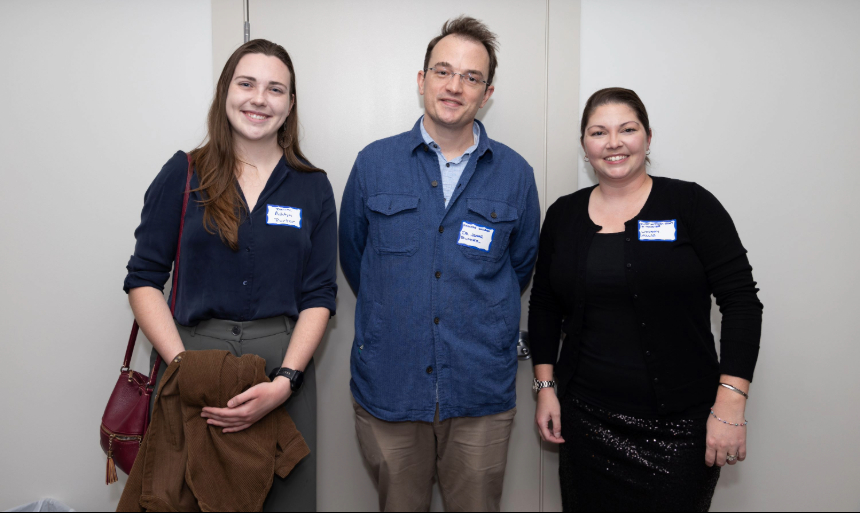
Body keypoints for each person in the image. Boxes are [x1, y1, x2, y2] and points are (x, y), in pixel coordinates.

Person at [123, 39, 336, 512]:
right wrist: (184, 367)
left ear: (290, 104)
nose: (259, 98)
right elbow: (143, 279)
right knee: (185, 499)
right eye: (247, 83)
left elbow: (320, 294)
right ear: (225, 92)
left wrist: (285, 382)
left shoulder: (313, 186)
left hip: (282, 373)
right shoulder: (183, 174)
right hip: (191, 365)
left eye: (275, 88)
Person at [339, 16, 541, 513]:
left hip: (478, 393)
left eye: (471, 77)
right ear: (421, 79)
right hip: (390, 386)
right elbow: (354, 259)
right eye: (443, 71)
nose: (455, 86)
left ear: (487, 92)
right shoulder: (374, 163)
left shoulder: (515, 174)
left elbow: (520, 266)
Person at [528, 87, 763, 512]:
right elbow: (544, 305)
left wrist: (730, 404)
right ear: (585, 145)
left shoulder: (691, 204)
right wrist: (546, 387)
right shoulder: (563, 215)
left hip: (680, 428)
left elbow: (742, 302)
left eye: (627, 129)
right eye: (599, 132)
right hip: (585, 421)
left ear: (648, 138)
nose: (613, 142)